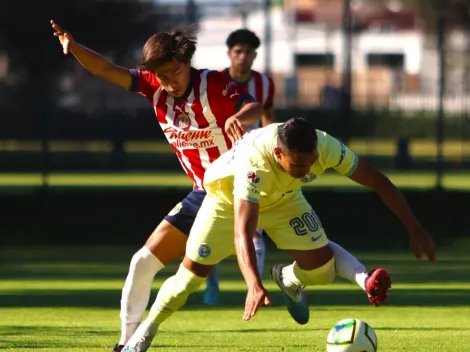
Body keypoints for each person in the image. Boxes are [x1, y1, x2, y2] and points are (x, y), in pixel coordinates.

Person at [121, 118, 436, 351]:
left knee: (322, 270)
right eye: (297, 165)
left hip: (284, 198)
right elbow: (243, 232)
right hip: (227, 201)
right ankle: (145, 332)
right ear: (278, 153)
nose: (305, 170)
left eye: (309, 164)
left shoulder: (325, 147)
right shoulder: (254, 163)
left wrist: (414, 226)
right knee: (190, 280)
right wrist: (253, 284)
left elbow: (377, 181)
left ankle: (290, 278)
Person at [50, 21, 265, 352]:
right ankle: (125, 344)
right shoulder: (154, 87)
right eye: (162, 77)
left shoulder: (214, 84)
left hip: (242, 189)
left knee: (313, 261)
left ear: (186, 63)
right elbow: (107, 69)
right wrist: (74, 47)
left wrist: (241, 116)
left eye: (174, 73)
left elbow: (254, 105)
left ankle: (292, 279)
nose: (169, 82)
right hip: (203, 194)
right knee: (142, 262)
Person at [204, 28, 276, 305]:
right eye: (238, 51)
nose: (243, 57)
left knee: (254, 227)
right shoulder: (216, 83)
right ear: (229, 54)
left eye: (248, 52)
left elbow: (269, 117)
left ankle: (255, 288)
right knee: (215, 227)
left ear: (255, 55)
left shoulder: (265, 85)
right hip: (219, 163)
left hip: (253, 163)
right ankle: (212, 286)